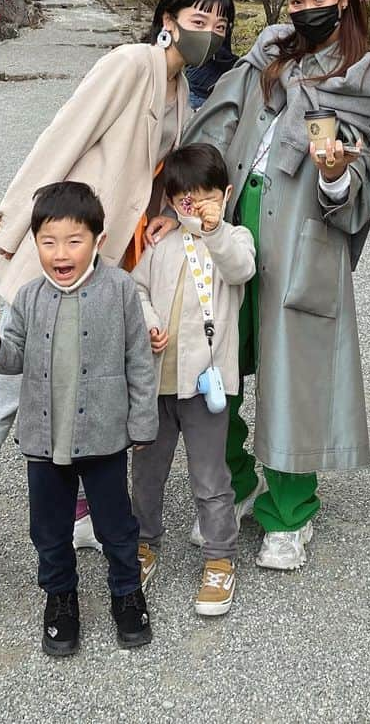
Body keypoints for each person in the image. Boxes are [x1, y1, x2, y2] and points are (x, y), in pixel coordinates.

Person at [0, 0, 233, 618]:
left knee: (93, 384)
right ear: (167, 17)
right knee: (5, 393)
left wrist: (165, 214)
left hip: (104, 270)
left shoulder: (179, 90)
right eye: (198, 18)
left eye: (220, 23)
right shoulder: (132, 63)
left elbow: (148, 177)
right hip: (58, 254)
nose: (210, 31)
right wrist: (17, 230)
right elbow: (61, 139)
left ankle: (85, 509)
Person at [168, 0, 370, 571]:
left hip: (305, 226)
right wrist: (188, 193)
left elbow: (365, 166)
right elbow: (217, 124)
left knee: (296, 371)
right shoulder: (266, 55)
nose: (307, 10)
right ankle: (233, 481)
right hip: (235, 215)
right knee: (217, 358)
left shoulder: (365, 70)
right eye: (296, 1)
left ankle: (291, 511)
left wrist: (337, 176)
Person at [0, 180, 158, 655]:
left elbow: (139, 358)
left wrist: (141, 423)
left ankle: (125, 592)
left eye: (73, 240)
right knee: (48, 528)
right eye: (48, 241)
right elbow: (14, 355)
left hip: (104, 437)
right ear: (35, 244)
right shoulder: (29, 296)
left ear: (97, 241)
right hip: (43, 439)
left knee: (116, 524)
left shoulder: (118, 288)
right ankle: (60, 597)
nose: (61, 252)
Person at [130, 143, 256, 616]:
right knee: (146, 472)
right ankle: (143, 543)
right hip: (157, 383)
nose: (196, 208)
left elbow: (240, 269)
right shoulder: (161, 243)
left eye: (206, 197)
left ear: (224, 194)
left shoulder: (234, 238)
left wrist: (215, 227)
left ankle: (220, 559)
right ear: (171, 200)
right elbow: (136, 288)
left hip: (206, 387)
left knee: (210, 476)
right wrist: (145, 319)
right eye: (185, 200)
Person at [186, 0, 239, 109]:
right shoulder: (207, 5)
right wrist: (239, 65)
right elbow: (218, 53)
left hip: (198, 78)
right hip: (205, 81)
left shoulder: (210, 4)